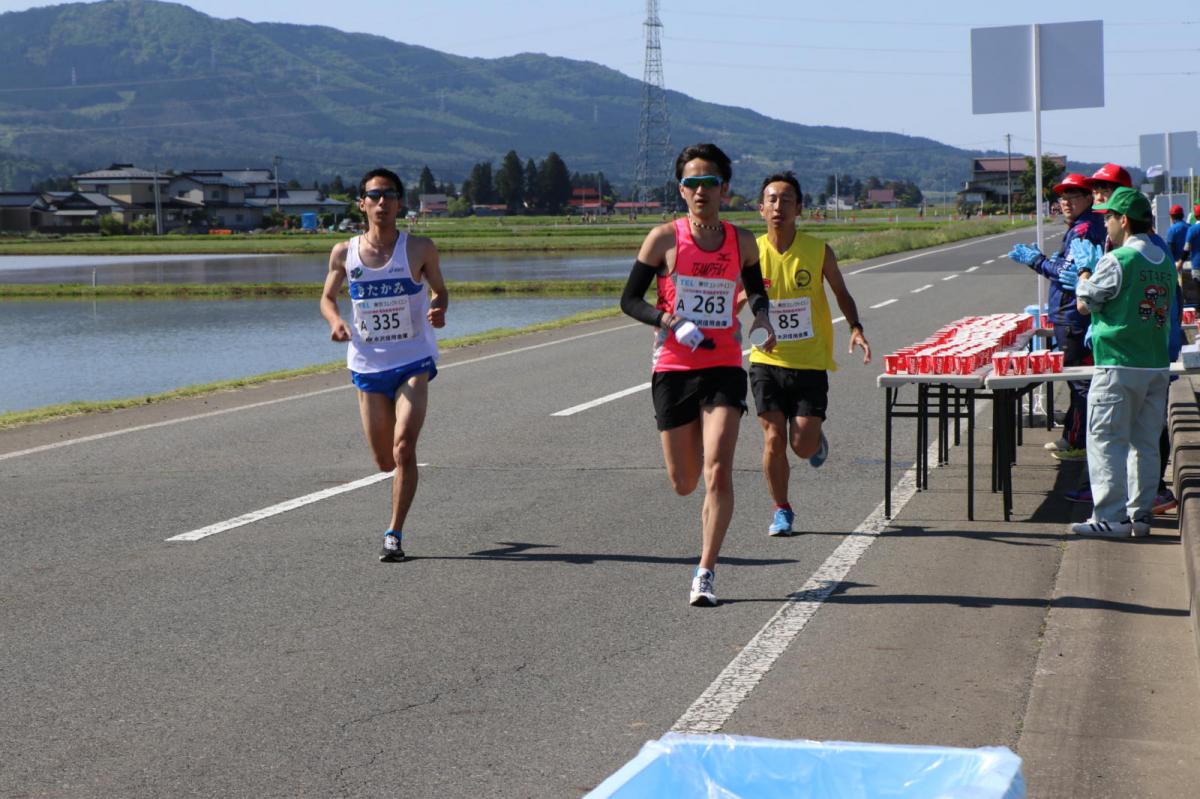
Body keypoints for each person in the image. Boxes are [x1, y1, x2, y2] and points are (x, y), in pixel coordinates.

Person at [619, 142, 775, 607]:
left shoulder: (742, 241)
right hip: (673, 368)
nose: (701, 190)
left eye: (710, 182)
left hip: (724, 364)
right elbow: (629, 300)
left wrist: (762, 321)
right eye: (692, 182)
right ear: (681, 189)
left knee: (718, 470)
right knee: (684, 480)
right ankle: (703, 550)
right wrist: (668, 321)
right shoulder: (664, 239)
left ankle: (705, 570)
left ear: (724, 189)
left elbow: (757, 292)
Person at [319, 168, 448, 562]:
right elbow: (327, 297)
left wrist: (439, 308)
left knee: (405, 446)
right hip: (368, 364)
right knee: (383, 461)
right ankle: (395, 488)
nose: (381, 202)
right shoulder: (344, 252)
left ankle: (394, 533)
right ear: (362, 204)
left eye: (388, 195)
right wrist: (336, 320)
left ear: (398, 203)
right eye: (373, 195)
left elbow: (440, 290)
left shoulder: (419, 248)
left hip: (413, 360)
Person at [748, 172, 871, 536]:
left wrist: (855, 327)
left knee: (801, 446)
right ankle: (782, 510)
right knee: (773, 438)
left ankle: (815, 440)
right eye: (771, 199)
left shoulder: (818, 251)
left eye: (786, 200)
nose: (778, 207)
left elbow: (840, 292)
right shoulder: (751, 253)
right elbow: (738, 296)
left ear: (799, 208)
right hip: (766, 360)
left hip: (811, 361)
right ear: (760, 208)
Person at [1070, 187, 1172, 537]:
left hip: (1118, 363)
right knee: (1144, 444)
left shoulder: (1118, 260)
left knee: (1106, 440)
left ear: (1124, 220)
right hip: (1156, 365)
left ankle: (1110, 517)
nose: (1107, 225)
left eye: (1109, 217)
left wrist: (1084, 272)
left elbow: (1086, 304)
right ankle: (1140, 516)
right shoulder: (1162, 260)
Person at [1008, 173, 1106, 461]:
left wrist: (1038, 261)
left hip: (1072, 316)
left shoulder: (1084, 228)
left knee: (1079, 381)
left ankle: (1079, 441)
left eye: (1073, 196)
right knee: (1079, 380)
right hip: (1069, 314)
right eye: (1062, 197)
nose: (1065, 202)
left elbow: (1068, 270)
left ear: (1089, 198)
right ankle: (1075, 437)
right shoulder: (1082, 225)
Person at [1166, 204, 1189, 273]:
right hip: (1191, 263)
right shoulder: (1190, 227)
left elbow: (1170, 250)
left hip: (1177, 264)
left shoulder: (1172, 230)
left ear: (1172, 217)